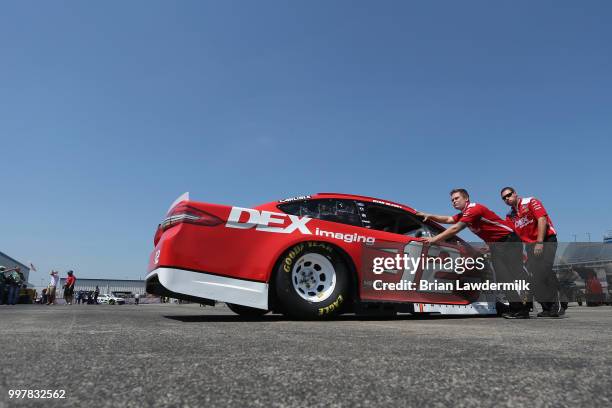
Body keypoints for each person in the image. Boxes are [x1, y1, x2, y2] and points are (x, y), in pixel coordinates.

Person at [416, 188, 530, 318]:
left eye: (456, 198)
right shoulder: (464, 214)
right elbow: (448, 220)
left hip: (509, 240)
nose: (454, 202)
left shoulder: (473, 209)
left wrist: (433, 239)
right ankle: (518, 309)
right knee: (503, 277)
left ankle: (530, 303)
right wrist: (430, 216)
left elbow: (455, 228)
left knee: (515, 273)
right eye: (452, 200)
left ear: (466, 198)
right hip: (496, 245)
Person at [501, 187, 560, 318]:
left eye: (509, 195)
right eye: (504, 198)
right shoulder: (510, 216)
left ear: (515, 194)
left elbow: (542, 219)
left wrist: (539, 242)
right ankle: (547, 308)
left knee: (543, 271)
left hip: (546, 239)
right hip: (530, 246)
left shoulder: (530, 201)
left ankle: (557, 304)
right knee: (534, 277)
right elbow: (507, 234)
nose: (507, 199)